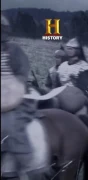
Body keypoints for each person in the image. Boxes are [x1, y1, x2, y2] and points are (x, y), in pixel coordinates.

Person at [1, 14, 48, 178]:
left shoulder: (14, 50)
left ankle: (24, 167)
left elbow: (22, 74)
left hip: (13, 95)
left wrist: (10, 90)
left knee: (10, 125)